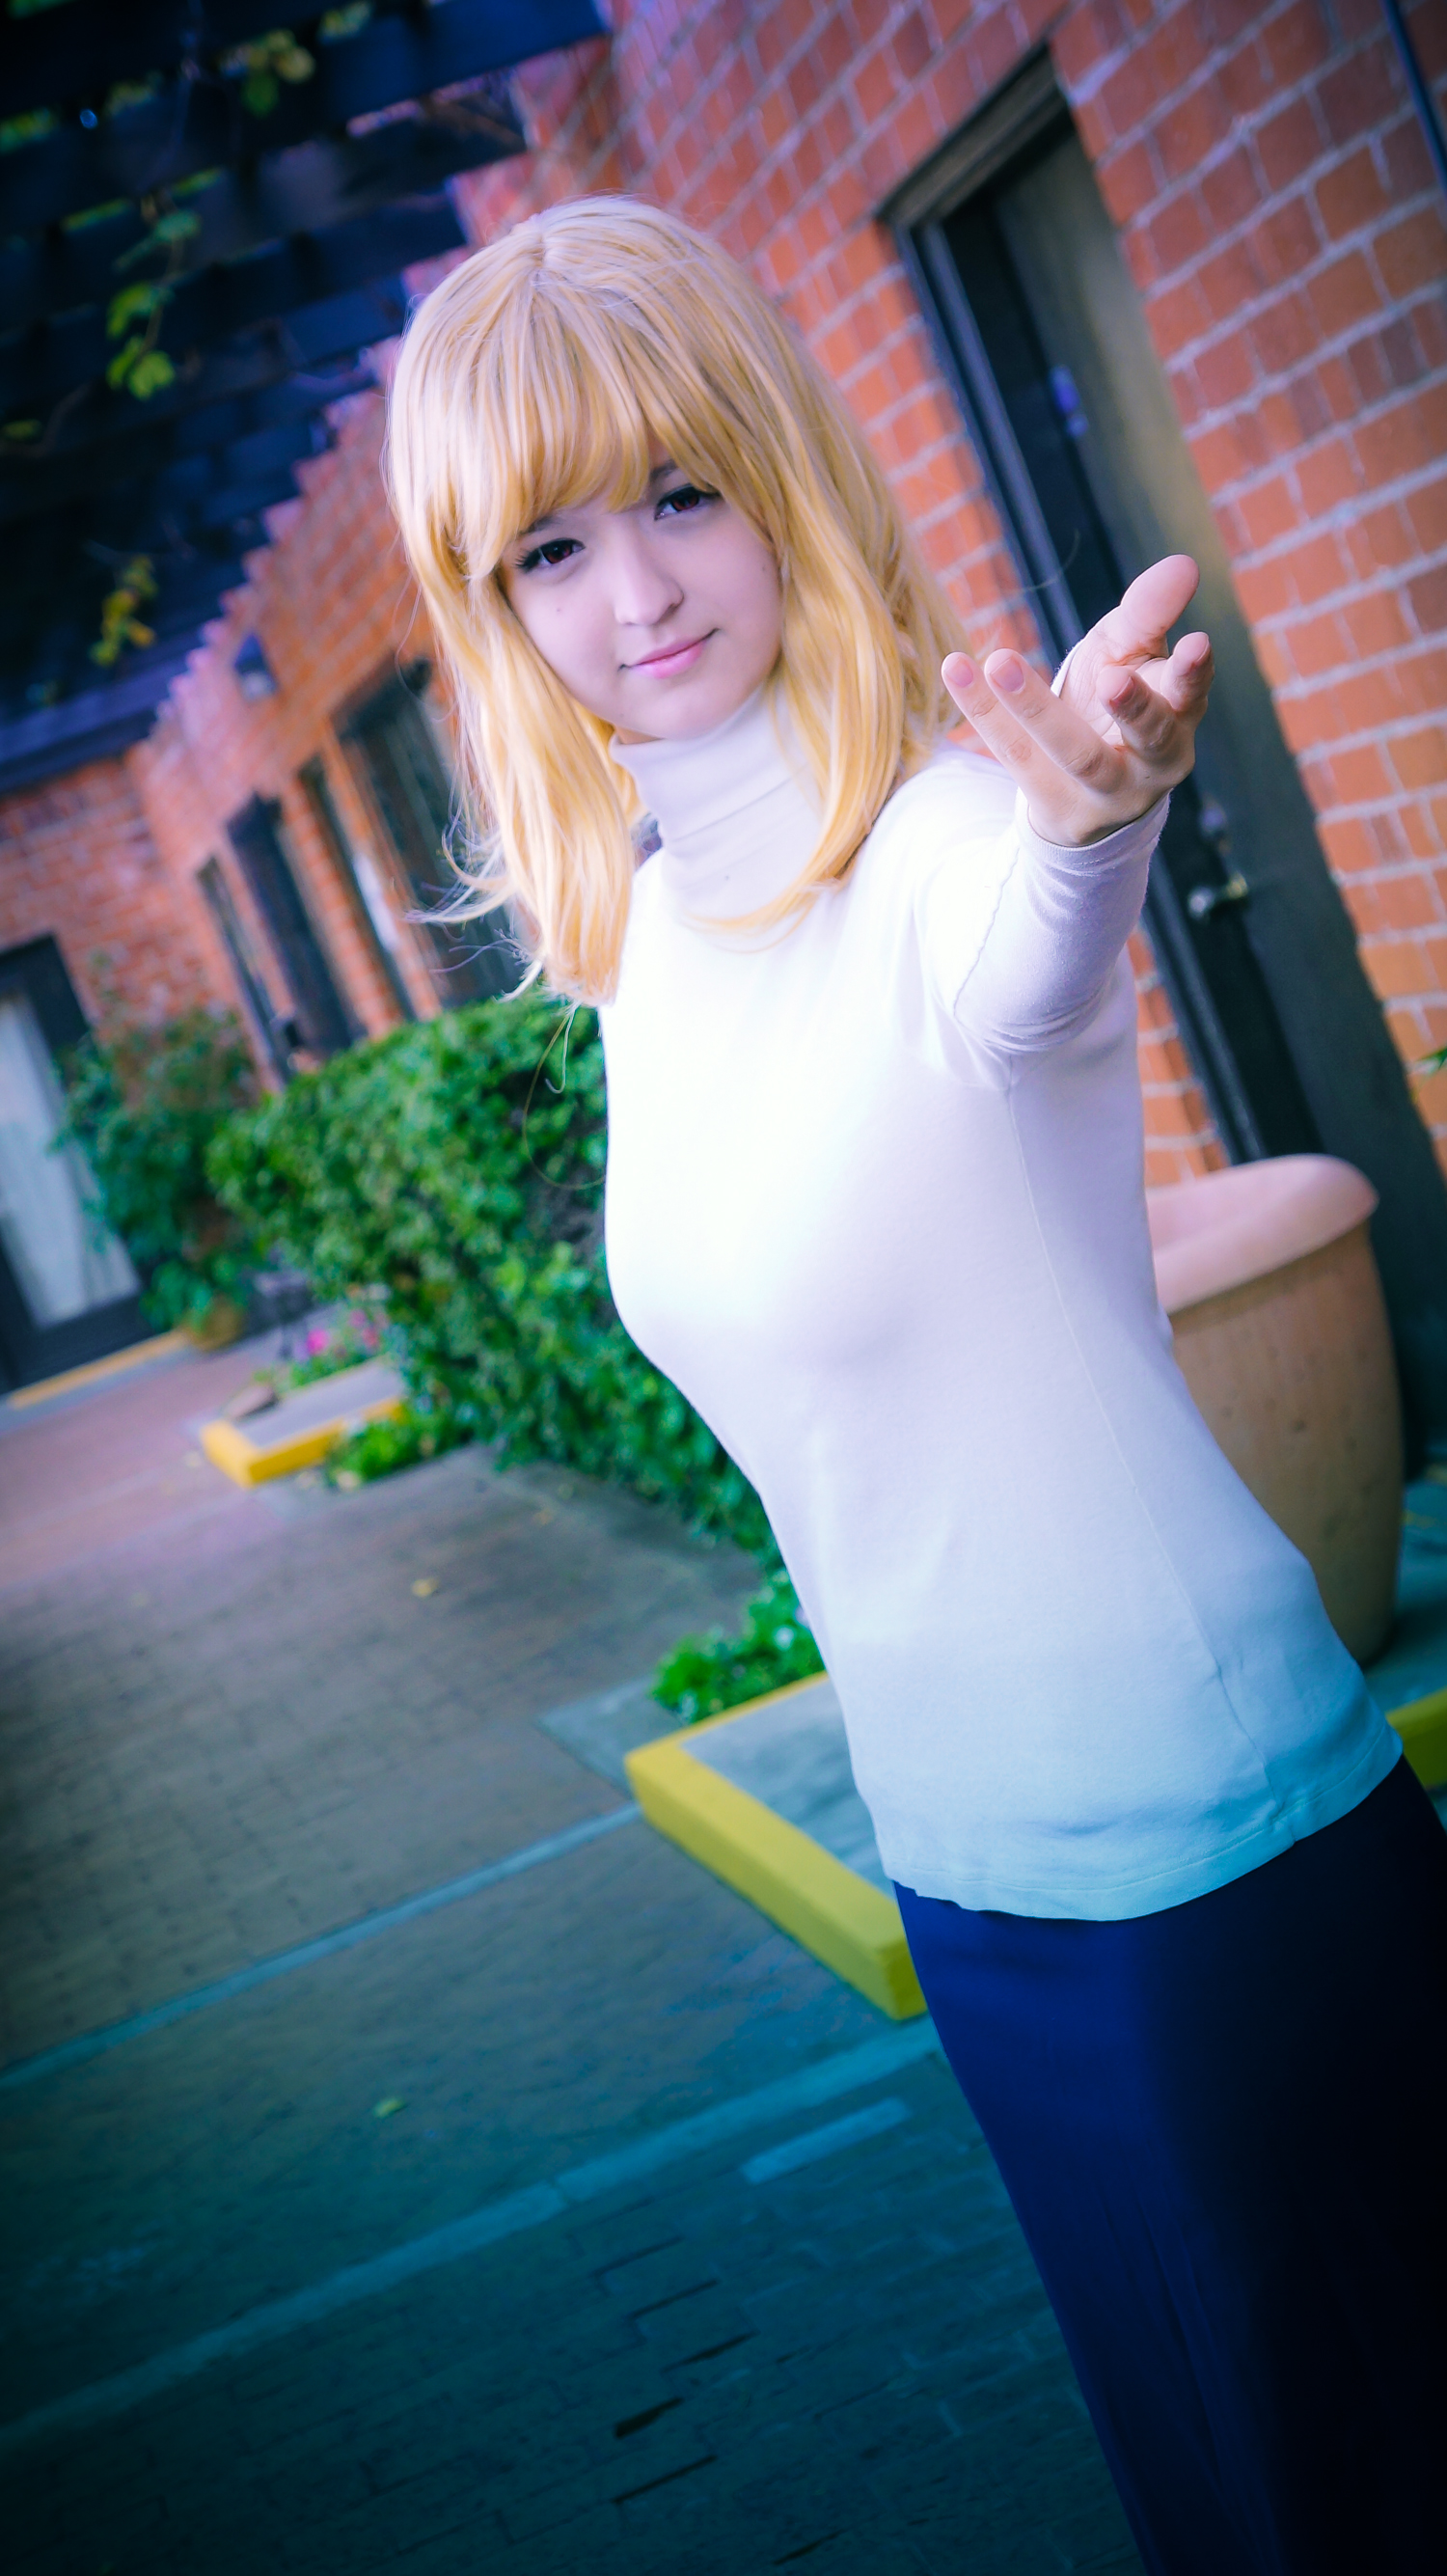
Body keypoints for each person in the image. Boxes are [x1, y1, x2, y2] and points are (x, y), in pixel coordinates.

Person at [386, 198, 1447, 2573]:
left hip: (1217, 1872)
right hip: (973, 1888)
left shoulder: (963, 838)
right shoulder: (647, 938)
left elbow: (1029, 961)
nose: (637, 591)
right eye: (552, 544)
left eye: (681, 492)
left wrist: (1099, 819)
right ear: (491, 603)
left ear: (781, 471)